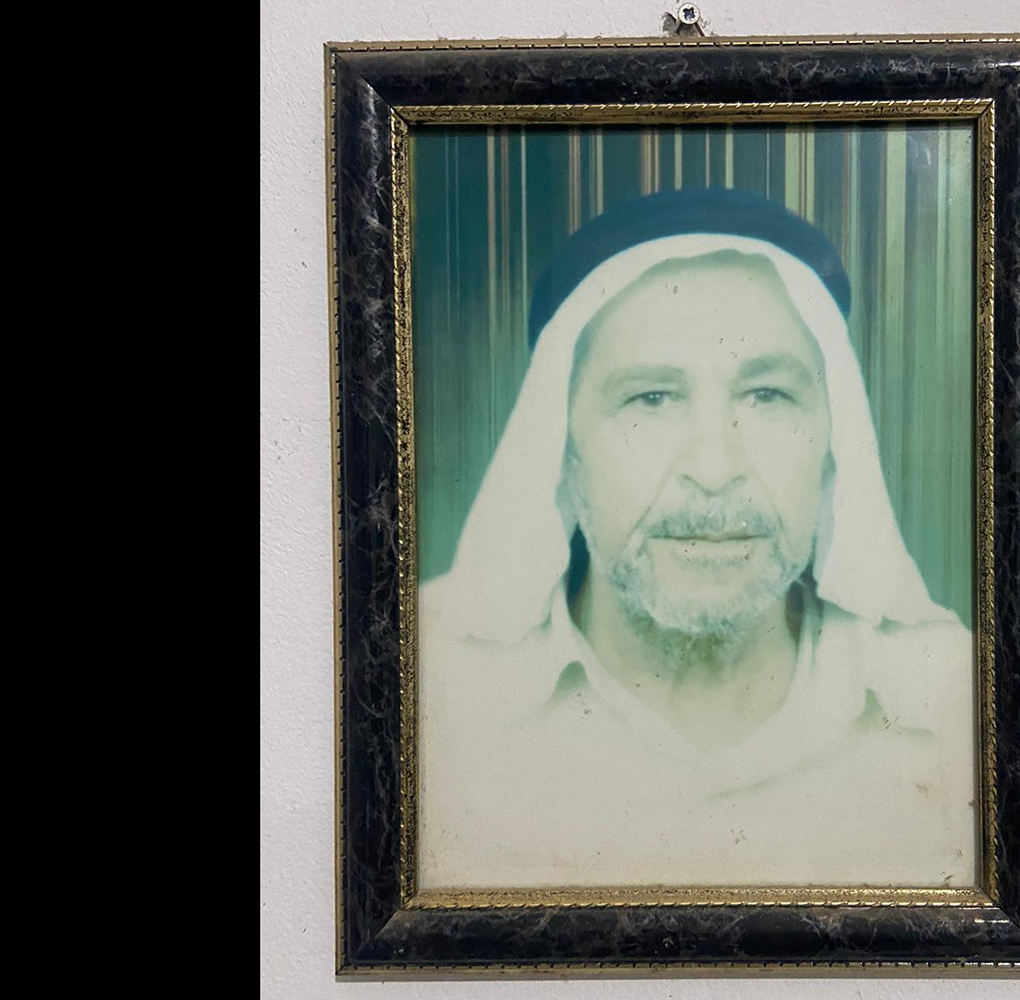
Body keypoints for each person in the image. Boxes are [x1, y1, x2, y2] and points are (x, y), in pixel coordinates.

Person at [418, 187, 975, 889]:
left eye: (766, 396)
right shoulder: (415, 691)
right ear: (560, 449)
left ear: (836, 446)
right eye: (651, 398)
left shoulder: (962, 708)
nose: (715, 469)